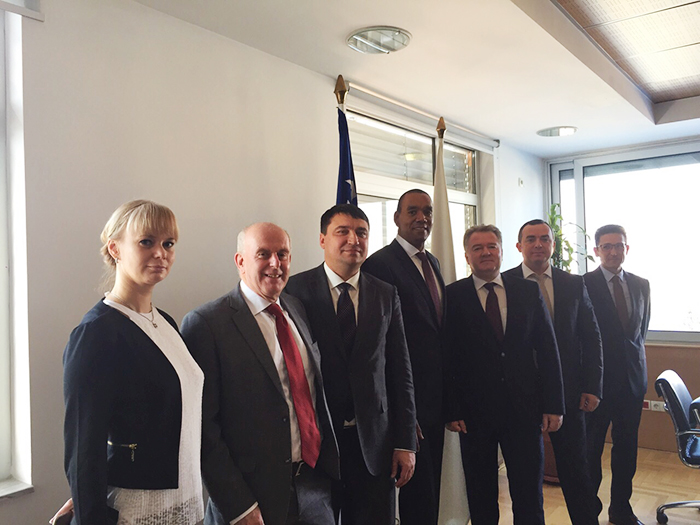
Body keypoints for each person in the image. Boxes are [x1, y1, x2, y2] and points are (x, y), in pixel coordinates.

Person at [181, 222, 339, 525]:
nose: (275, 264)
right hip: (251, 501)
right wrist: (239, 506)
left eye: (283, 254)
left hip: (314, 489)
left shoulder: (296, 308)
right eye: (263, 254)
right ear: (240, 261)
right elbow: (202, 429)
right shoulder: (206, 324)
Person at [63, 199, 204, 525]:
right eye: (146, 242)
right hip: (137, 509)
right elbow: (83, 451)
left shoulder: (166, 322)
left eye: (168, 244)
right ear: (115, 248)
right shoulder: (96, 333)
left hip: (188, 502)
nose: (160, 253)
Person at [285, 204, 417, 525]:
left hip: (374, 444)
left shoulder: (386, 294)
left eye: (361, 233)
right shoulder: (293, 291)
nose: (353, 240)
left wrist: (406, 443)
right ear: (322, 239)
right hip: (317, 446)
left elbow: (400, 372)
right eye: (342, 231)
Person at [445, 224, 564, 525]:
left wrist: (554, 404)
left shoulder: (527, 291)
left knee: (529, 496)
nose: (486, 252)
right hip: (474, 416)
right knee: (481, 496)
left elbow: (547, 350)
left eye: (491, 246)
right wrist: (452, 408)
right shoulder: (453, 296)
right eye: (477, 248)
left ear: (501, 251)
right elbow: (448, 357)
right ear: (467, 256)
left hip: (524, 411)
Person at [504, 219, 603, 525]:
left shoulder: (573, 284)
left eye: (544, 239)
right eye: (530, 239)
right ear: (519, 246)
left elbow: (591, 337)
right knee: (525, 478)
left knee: (577, 472)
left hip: (568, 394)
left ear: (553, 245)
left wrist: (592, 386)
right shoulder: (504, 283)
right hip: (520, 397)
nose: (538, 244)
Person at [362, 189, 445, 525]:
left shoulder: (432, 262)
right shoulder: (380, 265)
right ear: (397, 218)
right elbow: (380, 347)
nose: (421, 218)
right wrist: (403, 413)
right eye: (412, 211)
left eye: (427, 211)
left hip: (435, 401)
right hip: (408, 407)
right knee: (415, 500)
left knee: (431, 492)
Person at [584, 224, 650, 525]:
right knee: (591, 452)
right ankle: (589, 511)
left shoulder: (641, 285)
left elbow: (639, 334)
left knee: (626, 451)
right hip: (595, 386)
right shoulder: (582, 284)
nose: (613, 252)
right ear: (596, 250)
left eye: (618, 245)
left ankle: (621, 509)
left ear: (626, 248)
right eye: (606, 246)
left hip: (632, 385)